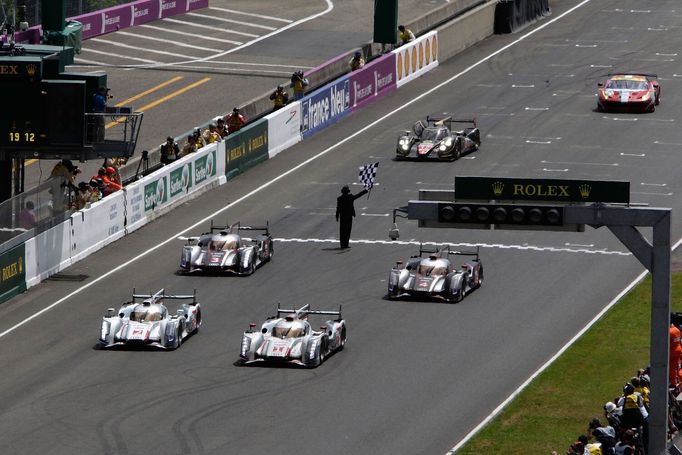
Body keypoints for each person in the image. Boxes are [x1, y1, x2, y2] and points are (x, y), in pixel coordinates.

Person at [335, 185, 368, 249]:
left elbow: (338, 208)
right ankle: (346, 244)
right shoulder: (350, 197)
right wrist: (366, 190)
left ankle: (342, 245)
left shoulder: (339, 198)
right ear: (348, 192)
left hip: (342, 217)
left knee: (342, 231)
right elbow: (358, 195)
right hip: (349, 216)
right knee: (348, 231)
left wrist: (337, 216)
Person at [671, 317, 682, 386]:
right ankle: (675, 380)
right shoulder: (677, 330)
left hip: (671, 352)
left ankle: (673, 383)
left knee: (672, 368)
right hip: (678, 349)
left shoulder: (669, 332)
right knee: (676, 367)